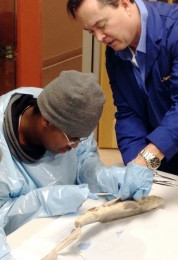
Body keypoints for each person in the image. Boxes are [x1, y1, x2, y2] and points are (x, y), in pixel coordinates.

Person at [67, 0, 178, 187]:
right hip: (168, 143)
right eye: (92, 32)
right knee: (159, 206)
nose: (99, 38)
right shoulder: (116, 50)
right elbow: (128, 112)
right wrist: (133, 164)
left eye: (101, 25)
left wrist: (145, 160)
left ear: (125, 3)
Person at [0, 70, 134, 259]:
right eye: (71, 138)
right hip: (21, 242)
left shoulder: (58, 105)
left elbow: (83, 156)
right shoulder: (3, 148)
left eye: (81, 138)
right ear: (46, 121)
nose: (75, 146)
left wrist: (103, 177)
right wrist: (44, 201)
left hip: (64, 226)